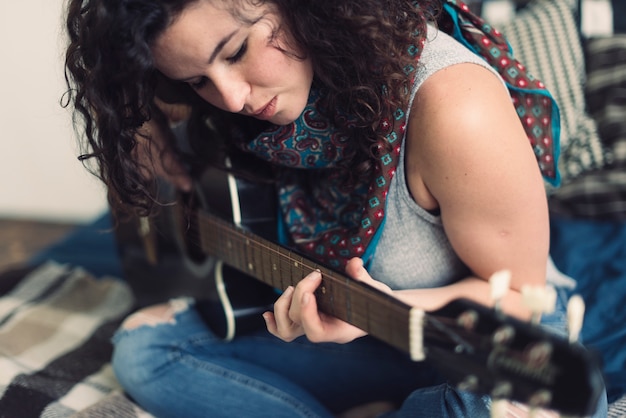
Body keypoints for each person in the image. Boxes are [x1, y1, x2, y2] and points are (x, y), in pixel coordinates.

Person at [63, 0, 607, 416]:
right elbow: (153, 107)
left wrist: (387, 308)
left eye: (235, 52)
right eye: (196, 80)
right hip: (368, 339)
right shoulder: (231, 111)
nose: (231, 98)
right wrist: (144, 125)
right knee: (144, 350)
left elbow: (518, 296)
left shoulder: (452, 107)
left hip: (481, 339)